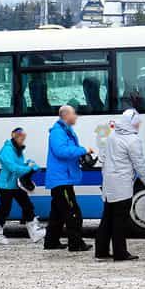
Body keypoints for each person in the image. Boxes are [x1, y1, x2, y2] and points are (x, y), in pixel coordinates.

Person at [96, 109, 145, 261]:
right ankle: (120, 253)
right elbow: (139, 165)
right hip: (122, 184)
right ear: (132, 123)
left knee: (107, 217)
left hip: (108, 183)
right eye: (137, 122)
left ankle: (100, 250)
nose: (139, 125)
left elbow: (102, 155)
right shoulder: (133, 140)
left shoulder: (111, 134)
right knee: (120, 220)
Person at [44, 105, 95, 251]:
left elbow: (67, 151)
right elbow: (61, 151)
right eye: (74, 114)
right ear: (66, 115)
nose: (76, 116)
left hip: (63, 178)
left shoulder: (65, 131)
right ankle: (76, 243)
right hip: (61, 179)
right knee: (73, 212)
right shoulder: (58, 132)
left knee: (57, 213)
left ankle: (51, 242)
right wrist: (83, 150)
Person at [0, 128, 44, 245]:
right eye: (21, 138)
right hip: (6, 186)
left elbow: (19, 166)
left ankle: (35, 232)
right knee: (4, 209)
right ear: (15, 137)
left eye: (24, 139)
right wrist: (29, 168)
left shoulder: (17, 150)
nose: (23, 141)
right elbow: (13, 167)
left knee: (27, 206)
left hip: (16, 184)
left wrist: (29, 163)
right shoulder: (6, 150)